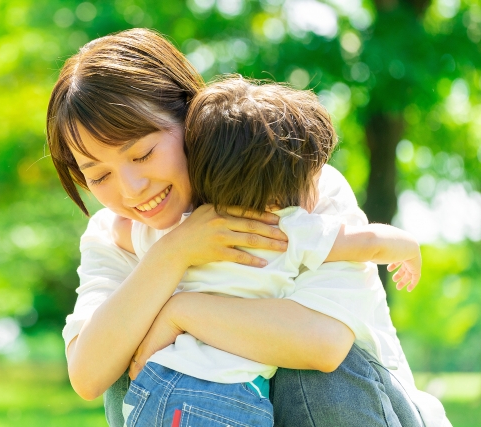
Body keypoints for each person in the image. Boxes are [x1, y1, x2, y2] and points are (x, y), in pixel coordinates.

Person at [47, 28, 451, 426]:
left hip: (354, 408)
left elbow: (325, 347)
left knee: (305, 370)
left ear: (189, 115)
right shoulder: (116, 230)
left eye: (142, 154)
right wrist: (173, 252)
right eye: (99, 176)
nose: (131, 189)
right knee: (123, 353)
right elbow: (90, 375)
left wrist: (178, 313)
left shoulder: (298, 188)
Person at [111, 76, 425, 426]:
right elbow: (369, 243)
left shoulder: (186, 232)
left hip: (157, 388)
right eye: (313, 177)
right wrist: (409, 248)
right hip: (227, 397)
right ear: (281, 195)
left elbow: (121, 232)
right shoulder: (290, 229)